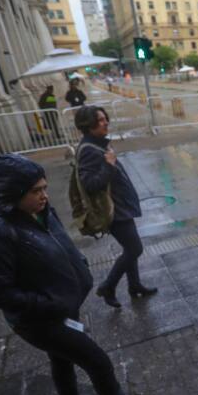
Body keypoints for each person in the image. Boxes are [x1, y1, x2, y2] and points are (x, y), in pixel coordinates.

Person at [0, 153, 156, 395]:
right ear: (12, 193)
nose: (44, 195)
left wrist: (79, 263)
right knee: (97, 361)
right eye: (35, 191)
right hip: (39, 319)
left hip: (62, 305)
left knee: (61, 358)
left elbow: (60, 244)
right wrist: (48, 304)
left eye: (44, 188)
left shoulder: (42, 212)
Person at [75, 105, 157, 308]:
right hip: (113, 211)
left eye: (105, 118)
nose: (106, 122)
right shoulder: (88, 150)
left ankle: (134, 285)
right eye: (100, 120)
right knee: (135, 249)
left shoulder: (98, 144)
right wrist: (109, 165)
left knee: (130, 248)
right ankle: (108, 286)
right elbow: (90, 184)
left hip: (121, 207)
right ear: (89, 125)